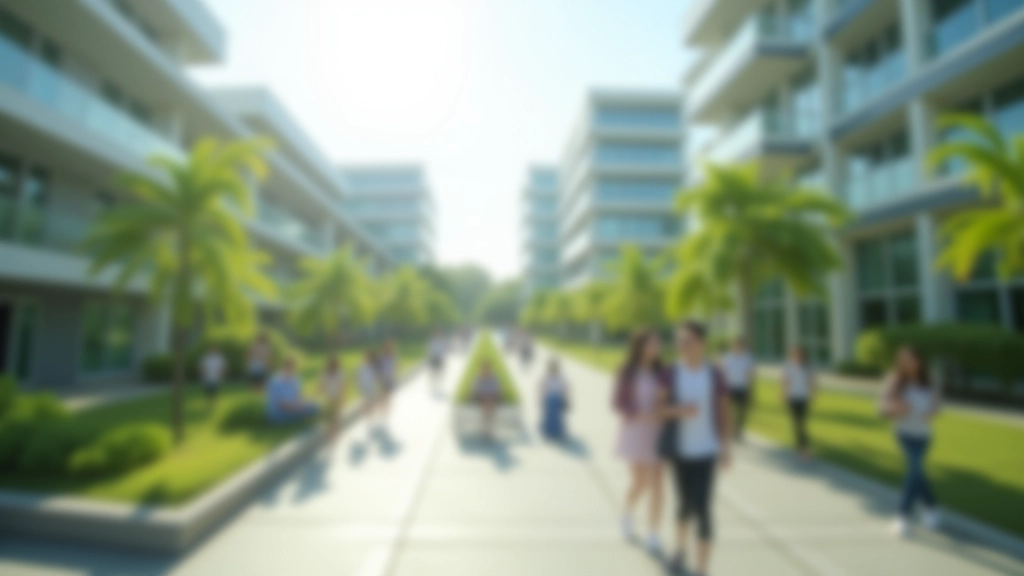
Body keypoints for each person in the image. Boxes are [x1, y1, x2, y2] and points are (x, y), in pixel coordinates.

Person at [658, 321, 730, 576]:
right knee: (683, 505)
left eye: (688, 340)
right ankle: (679, 550)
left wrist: (726, 448)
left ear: (702, 343)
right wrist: (680, 410)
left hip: (707, 452)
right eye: (679, 340)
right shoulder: (671, 372)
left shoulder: (715, 374)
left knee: (703, 509)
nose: (682, 345)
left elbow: (724, 411)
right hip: (680, 452)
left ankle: (702, 568)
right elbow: (658, 409)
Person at [613, 330, 670, 556]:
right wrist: (642, 414)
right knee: (640, 483)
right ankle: (627, 512)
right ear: (640, 346)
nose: (656, 348)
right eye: (651, 343)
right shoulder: (627, 371)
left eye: (658, 343)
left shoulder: (664, 372)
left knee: (658, 485)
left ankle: (653, 533)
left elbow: (672, 397)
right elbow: (619, 403)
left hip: (659, 433)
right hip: (635, 431)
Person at [880, 346, 942, 538]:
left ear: (919, 361)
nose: (907, 364)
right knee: (915, 470)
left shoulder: (930, 380)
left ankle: (931, 508)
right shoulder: (895, 380)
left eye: (911, 360)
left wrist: (930, 413)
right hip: (904, 434)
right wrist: (897, 408)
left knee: (917, 472)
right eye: (903, 360)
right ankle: (903, 517)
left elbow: (936, 407)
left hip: (923, 435)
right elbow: (883, 409)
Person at [719, 337, 755, 441]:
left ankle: (738, 430)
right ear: (732, 346)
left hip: (743, 387)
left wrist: (751, 387)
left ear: (742, 347)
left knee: (742, 411)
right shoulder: (727, 357)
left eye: (740, 346)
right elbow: (722, 372)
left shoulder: (747, 358)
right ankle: (729, 429)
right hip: (730, 387)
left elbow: (750, 373)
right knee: (728, 410)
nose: (737, 347)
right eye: (735, 345)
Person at [782, 346, 815, 460]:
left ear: (803, 355)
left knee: (801, 424)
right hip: (792, 398)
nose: (797, 356)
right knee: (796, 423)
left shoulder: (809, 367)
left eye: (799, 354)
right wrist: (784, 395)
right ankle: (800, 447)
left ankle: (804, 448)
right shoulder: (789, 366)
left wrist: (812, 395)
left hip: (803, 398)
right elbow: (785, 381)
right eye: (794, 354)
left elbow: (811, 382)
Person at [266, 358, 319, 424]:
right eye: (289, 368)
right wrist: (298, 407)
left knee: (314, 406)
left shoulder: (295, 379)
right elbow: (282, 405)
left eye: (294, 369)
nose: (292, 371)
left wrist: (304, 403)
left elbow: (299, 396)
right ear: (283, 368)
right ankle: (302, 418)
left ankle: (304, 418)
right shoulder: (276, 382)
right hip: (279, 413)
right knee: (307, 410)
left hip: (293, 408)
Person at [539, 358, 571, 441]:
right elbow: (543, 388)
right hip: (549, 399)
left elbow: (565, 388)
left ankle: (557, 432)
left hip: (557, 399)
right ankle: (549, 431)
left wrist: (565, 398)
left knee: (557, 417)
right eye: (552, 367)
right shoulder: (546, 377)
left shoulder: (561, 377)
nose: (553, 369)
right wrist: (543, 398)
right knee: (549, 416)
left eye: (555, 367)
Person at [473, 360, 503, 440]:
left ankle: (487, 428)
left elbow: (496, 390)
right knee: (488, 403)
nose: (486, 371)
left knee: (489, 403)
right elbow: (476, 390)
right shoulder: (479, 378)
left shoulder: (494, 378)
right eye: (484, 369)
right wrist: (485, 393)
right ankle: (487, 428)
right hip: (481, 398)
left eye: (487, 369)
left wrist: (490, 394)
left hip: (491, 398)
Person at [320, 356, 346, 440]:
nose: (333, 367)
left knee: (336, 417)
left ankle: (336, 434)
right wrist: (318, 392)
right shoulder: (325, 373)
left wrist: (342, 397)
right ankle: (330, 434)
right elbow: (322, 384)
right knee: (329, 417)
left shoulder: (339, 373)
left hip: (337, 398)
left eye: (335, 365)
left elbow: (342, 385)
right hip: (329, 398)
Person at [359, 349, 382, 432]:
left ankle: (372, 418)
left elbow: (377, 377)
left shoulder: (374, 366)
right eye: (366, 357)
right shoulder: (363, 366)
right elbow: (360, 377)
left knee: (372, 404)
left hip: (372, 387)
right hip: (366, 387)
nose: (367, 358)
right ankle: (368, 418)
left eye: (369, 357)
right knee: (367, 403)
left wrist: (377, 386)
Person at [378, 341, 398, 429]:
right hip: (382, 379)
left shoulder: (393, 357)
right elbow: (378, 368)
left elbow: (395, 368)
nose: (388, 349)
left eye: (389, 347)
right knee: (383, 397)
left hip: (390, 380)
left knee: (388, 397)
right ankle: (384, 413)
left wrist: (394, 378)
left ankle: (386, 414)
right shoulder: (381, 357)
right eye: (386, 347)